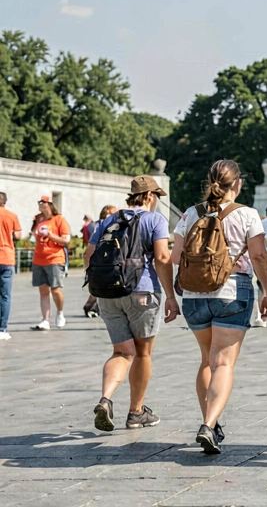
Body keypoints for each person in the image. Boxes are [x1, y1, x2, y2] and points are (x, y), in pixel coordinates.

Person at [172, 160, 267, 454]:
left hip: (193, 295)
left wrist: (171, 294)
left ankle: (212, 423)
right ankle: (209, 423)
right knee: (223, 363)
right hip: (233, 290)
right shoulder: (246, 214)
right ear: (238, 184)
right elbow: (258, 256)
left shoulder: (190, 214)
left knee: (206, 359)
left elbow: (174, 256)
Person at [91, 176, 176, 432]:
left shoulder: (110, 219)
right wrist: (171, 295)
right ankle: (136, 412)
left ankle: (105, 399)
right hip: (142, 292)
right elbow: (162, 257)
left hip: (108, 292)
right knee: (142, 353)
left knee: (121, 352)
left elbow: (88, 255)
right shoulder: (155, 219)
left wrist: (99, 288)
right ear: (150, 196)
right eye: (157, 196)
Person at [30, 196, 71, 331]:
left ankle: (60, 312)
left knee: (55, 289)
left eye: (45, 205)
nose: (42, 208)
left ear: (50, 206)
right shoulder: (39, 220)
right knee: (43, 290)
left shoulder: (59, 219)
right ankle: (45, 319)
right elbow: (33, 234)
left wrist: (50, 235)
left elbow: (65, 240)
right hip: (39, 259)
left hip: (55, 258)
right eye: (40, 205)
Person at [0, 192, 20, 341]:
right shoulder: (11, 216)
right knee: (5, 296)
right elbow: (18, 236)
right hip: (6, 257)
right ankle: (3, 329)